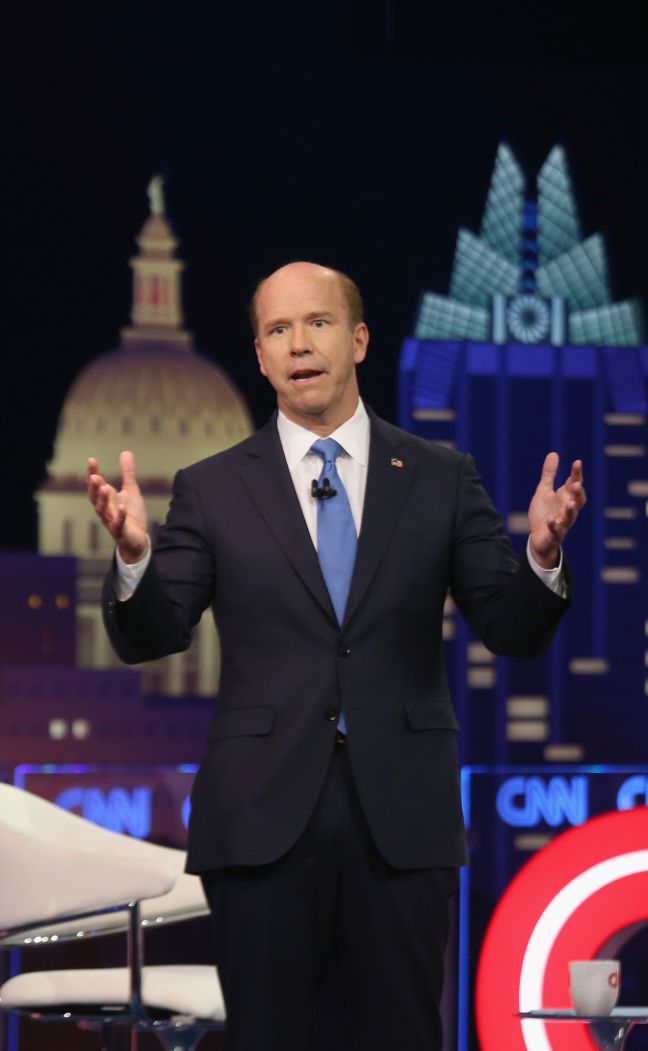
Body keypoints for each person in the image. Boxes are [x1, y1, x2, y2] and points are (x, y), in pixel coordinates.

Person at [86, 261, 585, 1049]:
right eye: (277, 330)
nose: (298, 344)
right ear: (259, 355)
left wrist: (544, 557)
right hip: (261, 819)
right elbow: (153, 633)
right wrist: (135, 559)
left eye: (316, 323)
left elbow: (512, 627)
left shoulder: (439, 476)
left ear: (357, 340)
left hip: (403, 817)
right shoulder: (213, 487)